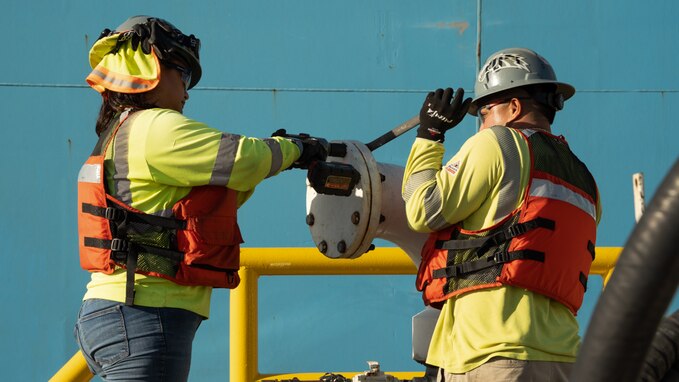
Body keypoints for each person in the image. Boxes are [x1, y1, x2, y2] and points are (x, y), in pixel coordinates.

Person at [74, 16, 326, 381]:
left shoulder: (119, 133)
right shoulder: (156, 127)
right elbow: (243, 157)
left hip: (113, 314)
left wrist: (273, 162)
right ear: (154, 67)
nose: (187, 92)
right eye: (184, 75)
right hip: (145, 314)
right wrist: (296, 149)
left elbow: (204, 203)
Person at [402, 48, 602, 381]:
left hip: (492, 355)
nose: (480, 124)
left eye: (483, 111)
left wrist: (430, 135)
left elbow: (422, 209)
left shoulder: (498, 143)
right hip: (565, 360)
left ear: (513, 107)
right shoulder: (585, 179)